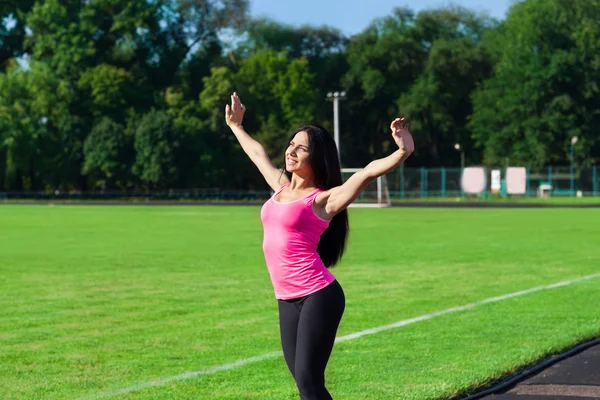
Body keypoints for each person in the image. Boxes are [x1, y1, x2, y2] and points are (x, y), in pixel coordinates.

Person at [225, 92, 414, 400]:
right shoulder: (280, 186)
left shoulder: (323, 199)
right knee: (304, 384)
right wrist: (236, 126)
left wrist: (403, 150)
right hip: (286, 297)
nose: (292, 151)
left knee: (308, 380)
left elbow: (366, 174)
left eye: (302, 148)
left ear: (317, 157)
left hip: (318, 295)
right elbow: (258, 154)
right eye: (291, 144)